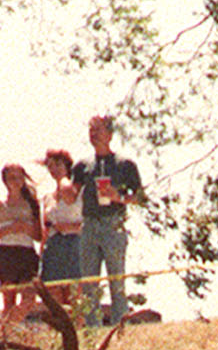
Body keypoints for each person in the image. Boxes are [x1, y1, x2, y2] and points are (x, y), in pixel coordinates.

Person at [71, 115, 144, 328]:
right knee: (89, 282)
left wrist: (118, 197)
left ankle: (120, 325)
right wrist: (64, 184)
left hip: (114, 223)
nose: (93, 134)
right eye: (91, 130)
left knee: (116, 279)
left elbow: (140, 198)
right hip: (89, 224)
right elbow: (71, 193)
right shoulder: (82, 165)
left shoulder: (125, 165)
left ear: (110, 135)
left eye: (99, 130)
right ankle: (92, 329)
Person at [0, 163, 44, 320]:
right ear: (5, 181)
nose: (16, 181)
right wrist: (9, 229)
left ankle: (9, 322)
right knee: (8, 300)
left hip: (27, 253)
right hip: (6, 253)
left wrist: (25, 228)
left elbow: (39, 235)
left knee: (29, 298)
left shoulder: (32, 205)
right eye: (12, 178)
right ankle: (8, 334)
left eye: (19, 177)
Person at [39, 148, 82, 310]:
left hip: (74, 244)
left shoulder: (79, 192)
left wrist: (68, 227)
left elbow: (87, 223)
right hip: (53, 247)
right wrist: (41, 254)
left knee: (74, 297)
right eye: (50, 166)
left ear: (66, 165)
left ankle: (78, 333)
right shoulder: (47, 197)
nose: (54, 169)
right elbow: (45, 228)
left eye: (57, 164)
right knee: (54, 300)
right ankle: (57, 334)